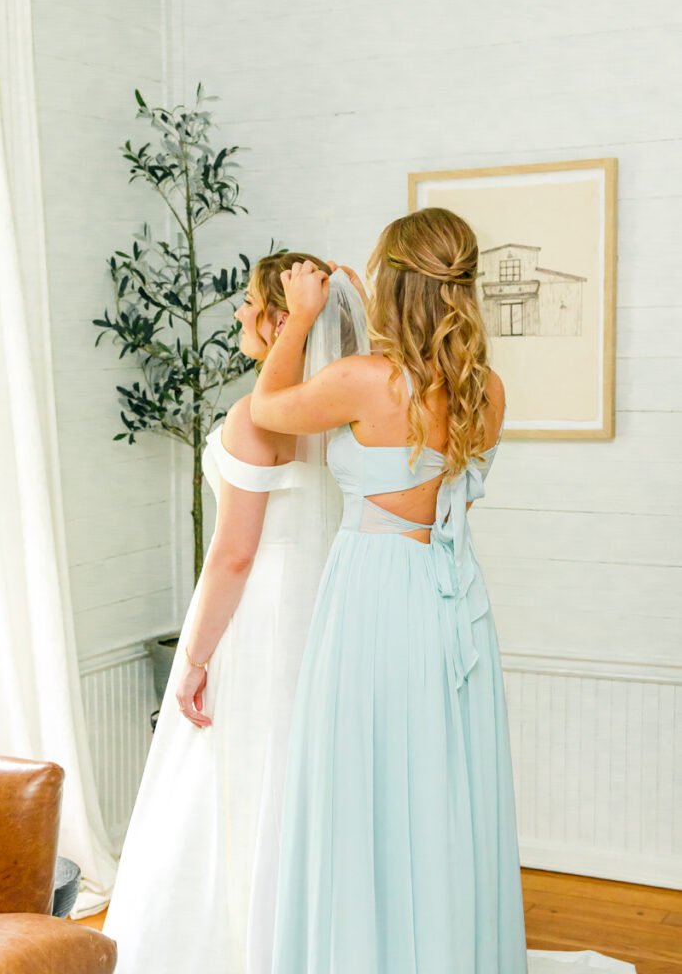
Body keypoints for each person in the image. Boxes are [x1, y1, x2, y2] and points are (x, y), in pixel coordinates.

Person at [250, 209, 637, 974]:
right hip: (450, 599)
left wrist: (298, 320)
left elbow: (267, 407)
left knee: (366, 784)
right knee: (441, 782)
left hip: (372, 593)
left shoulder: (363, 380)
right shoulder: (483, 388)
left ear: (391, 282)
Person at [102, 251, 368, 974]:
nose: (239, 315)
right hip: (327, 603)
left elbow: (233, 556)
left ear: (281, 317)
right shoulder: (348, 411)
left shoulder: (254, 415)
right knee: (306, 768)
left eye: (250, 304)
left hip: (258, 614)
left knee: (237, 766)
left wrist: (193, 658)